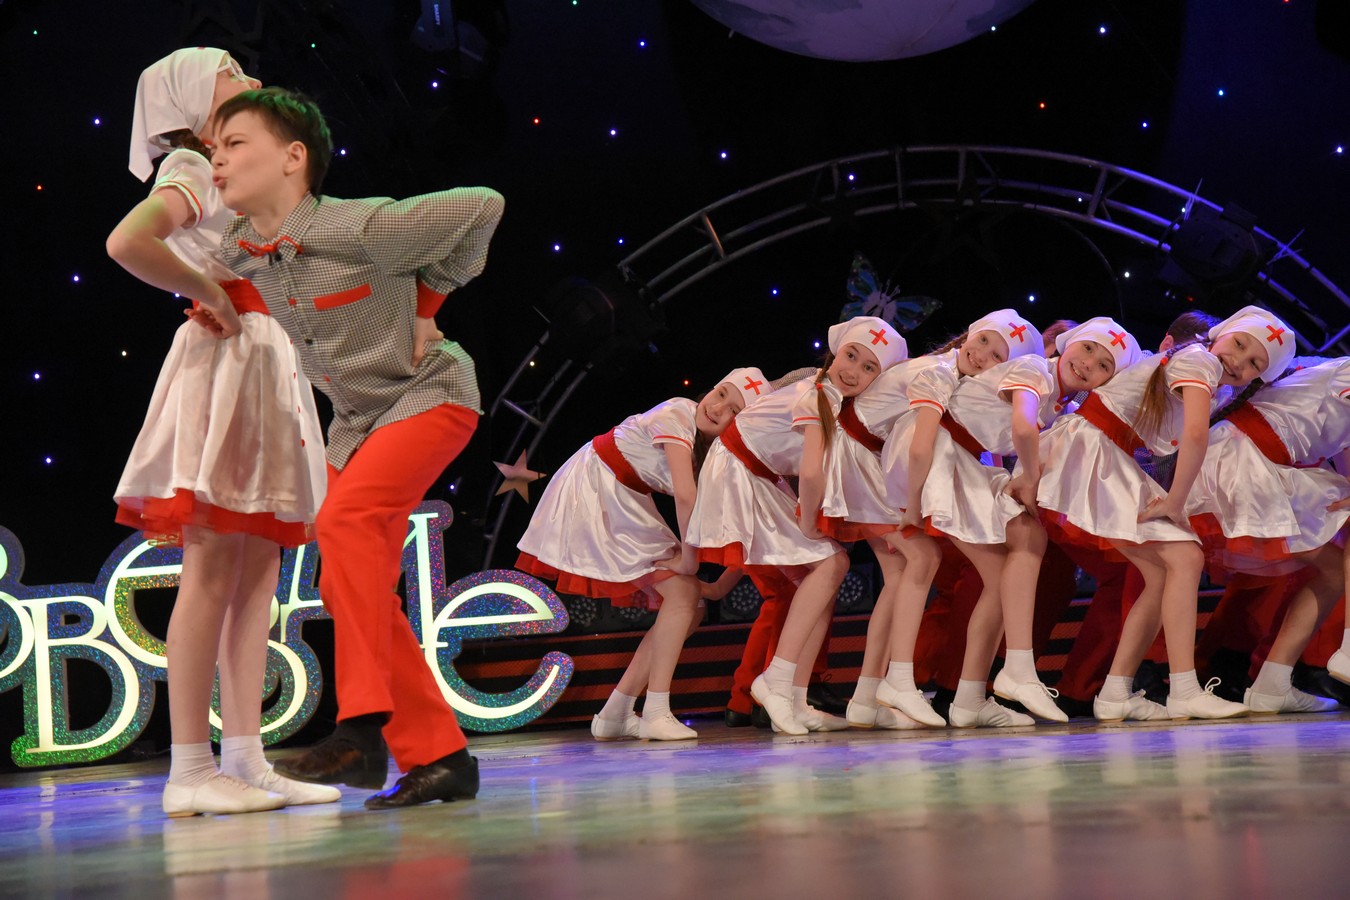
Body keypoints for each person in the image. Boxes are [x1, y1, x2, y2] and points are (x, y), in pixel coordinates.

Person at [210, 87, 505, 808]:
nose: (217, 160)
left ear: (293, 157)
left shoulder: (362, 225)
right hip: (354, 422)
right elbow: (238, 287)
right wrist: (215, 305)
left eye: (234, 144)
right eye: (212, 149)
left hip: (429, 395)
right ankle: (440, 756)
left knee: (347, 523)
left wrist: (427, 310)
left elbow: (483, 206)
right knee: (345, 579)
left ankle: (361, 727)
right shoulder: (240, 247)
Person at [109, 49, 336, 816]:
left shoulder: (238, 172)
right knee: (211, 570)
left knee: (256, 575)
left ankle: (245, 758)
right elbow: (128, 241)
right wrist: (208, 290)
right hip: (228, 367)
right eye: (229, 69)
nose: (249, 77)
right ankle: (189, 769)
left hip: (264, 365)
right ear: (190, 96)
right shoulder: (191, 165)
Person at [1036, 304, 1297, 721]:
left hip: (1106, 451)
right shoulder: (1200, 359)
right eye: (1240, 344)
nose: (1240, 361)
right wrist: (1175, 501)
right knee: (1185, 557)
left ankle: (1117, 691)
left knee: (1161, 573)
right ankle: (1182, 688)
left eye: (1254, 364)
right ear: (1222, 334)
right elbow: (1194, 435)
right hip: (1095, 450)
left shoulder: (1201, 368)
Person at [516, 368, 769, 740]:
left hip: (624, 496)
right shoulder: (679, 412)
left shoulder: (718, 456)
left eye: (734, 410)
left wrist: (718, 587)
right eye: (720, 394)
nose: (718, 409)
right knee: (683, 592)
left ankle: (615, 712)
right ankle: (655, 710)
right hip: (597, 487)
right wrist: (689, 563)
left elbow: (742, 528)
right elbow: (686, 498)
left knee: (693, 604)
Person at [942, 316, 1143, 728]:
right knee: (1027, 538)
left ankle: (970, 696)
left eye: (1104, 365)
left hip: (961, 459)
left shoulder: (1062, 404)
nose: (1088, 363)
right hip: (941, 453)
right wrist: (1030, 480)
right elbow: (1022, 427)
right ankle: (1014, 670)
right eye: (1088, 348)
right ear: (1067, 344)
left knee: (1006, 570)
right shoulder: (1035, 368)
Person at [718, 316, 908, 735]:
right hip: (741, 471)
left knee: (827, 569)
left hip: (755, 473)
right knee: (831, 564)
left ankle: (796, 695)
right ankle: (776, 680)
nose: (853, 370)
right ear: (835, 353)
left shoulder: (831, 397)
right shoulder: (816, 393)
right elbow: (810, 470)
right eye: (851, 356)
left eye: (868, 367)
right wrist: (807, 521)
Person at [873, 309, 1055, 727]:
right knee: (966, 568)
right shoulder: (938, 372)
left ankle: (965, 693)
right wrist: (913, 507)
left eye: (997, 355)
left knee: (998, 573)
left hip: (933, 463)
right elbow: (920, 446)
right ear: (970, 333)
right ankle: (909, 681)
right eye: (984, 340)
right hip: (916, 467)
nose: (983, 354)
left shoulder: (957, 377)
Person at [1187, 355, 1350, 713]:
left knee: (1334, 569)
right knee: (1172, 563)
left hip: (1256, 460)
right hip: (1244, 459)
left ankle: (1273, 683)